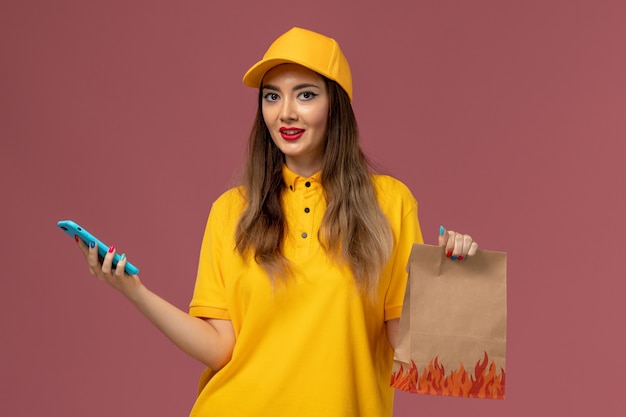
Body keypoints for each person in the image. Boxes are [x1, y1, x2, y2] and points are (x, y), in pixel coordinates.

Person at [76, 27, 478, 417]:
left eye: (305, 95)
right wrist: (133, 290)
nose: (286, 112)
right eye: (272, 96)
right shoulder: (231, 210)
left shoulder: (390, 203)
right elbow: (220, 347)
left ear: (335, 105)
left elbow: (407, 348)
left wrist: (450, 280)